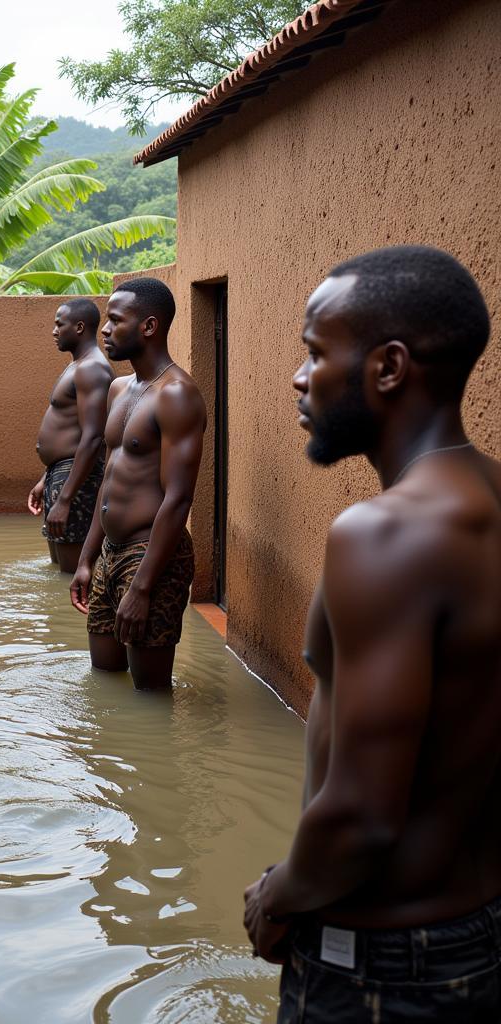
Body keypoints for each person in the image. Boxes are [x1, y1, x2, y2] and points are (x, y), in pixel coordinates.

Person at [244, 246, 501, 1021]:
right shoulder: (488, 498)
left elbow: (361, 813)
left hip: (383, 963)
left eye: (316, 352)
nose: (299, 376)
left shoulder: (383, 535)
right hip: (478, 930)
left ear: (388, 367)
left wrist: (277, 896)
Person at [70, 278, 205, 690]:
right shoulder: (118, 389)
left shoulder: (177, 395)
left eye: (115, 320)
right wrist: (87, 558)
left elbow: (178, 498)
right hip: (110, 552)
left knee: (150, 694)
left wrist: (144, 585)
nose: (105, 330)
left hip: (151, 557)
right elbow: (108, 481)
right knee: (104, 681)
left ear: (149, 326)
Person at [28, 300, 113, 573]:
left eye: (58, 324)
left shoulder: (91, 369)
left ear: (78, 327)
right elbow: (74, 433)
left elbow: (93, 437)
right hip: (62, 474)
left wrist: (65, 499)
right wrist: (46, 478)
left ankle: (71, 617)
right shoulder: (79, 365)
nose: (54, 331)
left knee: (73, 573)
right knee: (60, 567)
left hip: (76, 480)